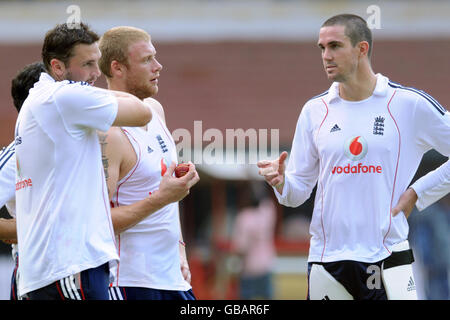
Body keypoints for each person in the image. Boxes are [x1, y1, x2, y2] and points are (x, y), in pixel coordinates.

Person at [257, 14, 450, 300]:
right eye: (321, 48)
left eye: (335, 46)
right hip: (326, 261)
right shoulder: (315, 110)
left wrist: (418, 193)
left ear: (362, 49)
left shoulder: (408, 105)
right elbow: (297, 193)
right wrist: (281, 182)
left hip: (387, 259)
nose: (326, 56)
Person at [13, 22, 152, 300]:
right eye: (87, 64)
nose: (96, 73)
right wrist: (101, 93)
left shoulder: (39, 99)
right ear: (58, 67)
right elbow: (142, 112)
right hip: (70, 265)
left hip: (49, 267)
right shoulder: (65, 96)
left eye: (97, 62)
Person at [97, 26, 199, 300]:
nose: (158, 66)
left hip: (175, 281)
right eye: (146, 60)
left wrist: (179, 248)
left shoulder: (154, 111)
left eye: (155, 57)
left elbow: (168, 194)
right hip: (129, 283)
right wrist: (161, 198)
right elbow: (95, 223)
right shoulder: (108, 132)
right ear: (117, 68)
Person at [0, 61, 46, 300]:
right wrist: (22, 228)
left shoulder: (82, 149)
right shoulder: (16, 154)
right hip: (37, 275)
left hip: (89, 271)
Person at [232, 182, 277, 300]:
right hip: (266, 265)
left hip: (248, 268)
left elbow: (241, 247)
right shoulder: (268, 212)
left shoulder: (244, 217)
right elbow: (267, 201)